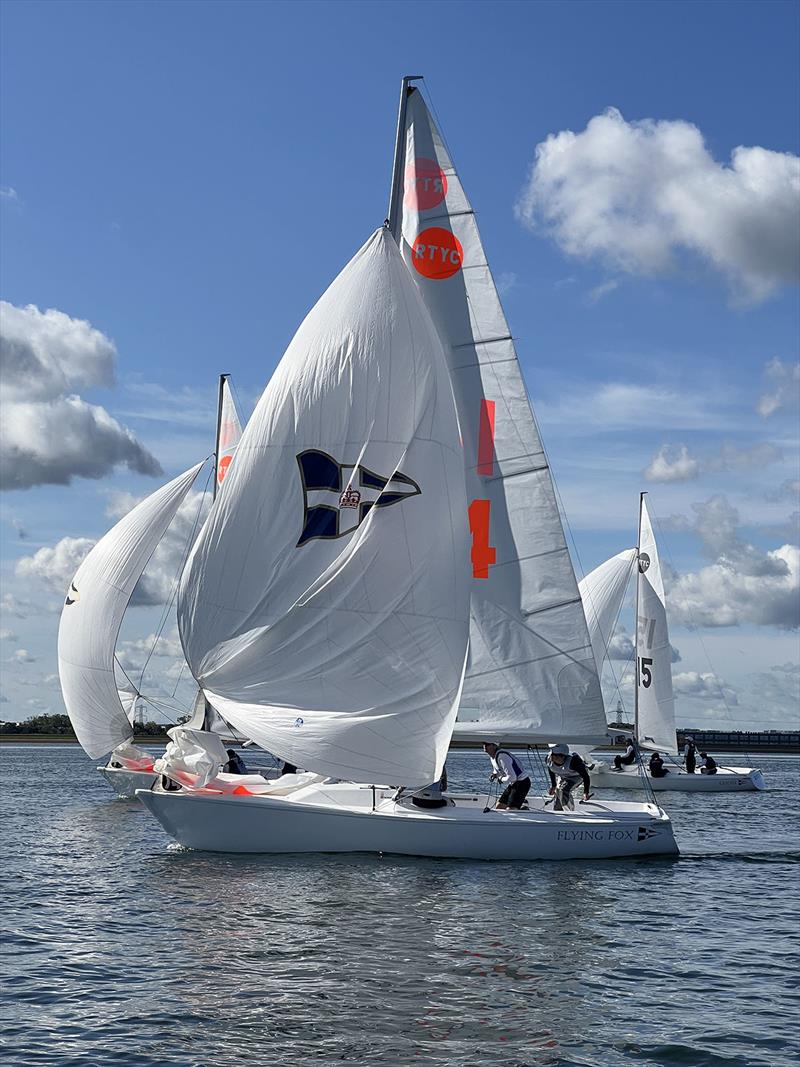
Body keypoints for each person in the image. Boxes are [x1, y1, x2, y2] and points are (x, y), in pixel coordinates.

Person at [482, 742, 531, 810]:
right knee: (499, 806)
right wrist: (495, 775)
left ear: (494, 746)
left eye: (487, 744)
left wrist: (501, 779)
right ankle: (521, 807)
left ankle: (524, 810)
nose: (484, 746)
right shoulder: (492, 757)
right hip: (514, 783)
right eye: (484, 744)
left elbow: (512, 777)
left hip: (522, 783)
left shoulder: (502, 756)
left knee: (510, 810)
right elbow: (499, 771)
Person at [546, 743, 591, 811]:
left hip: (576, 776)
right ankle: (558, 811)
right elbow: (551, 769)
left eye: (556, 756)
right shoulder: (548, 759)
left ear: (563, 756)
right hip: (562, 775)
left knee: (564, 789)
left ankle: (569, 811)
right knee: (558, 791)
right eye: (552, 755)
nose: (553, 757)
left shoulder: (574, 761)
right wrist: (553, 786)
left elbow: (585, 777)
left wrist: (586, 792)